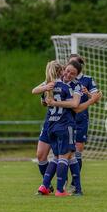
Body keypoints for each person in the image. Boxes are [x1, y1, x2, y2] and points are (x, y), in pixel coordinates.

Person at [36, 60, 82, 196]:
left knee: (58, 157)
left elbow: (41, 98)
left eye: (72, 73)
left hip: (52, 124)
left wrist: (51, 100)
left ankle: (45, 186)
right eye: (67, 71)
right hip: (64, 124)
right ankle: (60, 189)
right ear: (62, 70)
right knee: (64, 156)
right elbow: (74, 104)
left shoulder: (51, 85)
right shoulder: (62, 86)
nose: (68, 74)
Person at [67, 54, 99, 191]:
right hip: (65, 120)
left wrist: (89, 94)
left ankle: (75, 183)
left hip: (80, 120)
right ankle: (60, 182)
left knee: (77, 153)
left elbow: (97, 97)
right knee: (64, 152)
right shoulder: (64, 79)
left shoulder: (87, 80)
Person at [31, 61, 63, 193]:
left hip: (62, 123)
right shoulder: (47, 83)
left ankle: (63, 184)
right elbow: (34, 91)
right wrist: (45, 89)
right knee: (40, 155)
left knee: (60, 156)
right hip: (49, 122)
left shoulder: (65, 82)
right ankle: (47, 184)